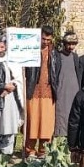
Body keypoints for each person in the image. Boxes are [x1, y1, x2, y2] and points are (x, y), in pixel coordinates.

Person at [24, 27, 58, 158]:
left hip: (49, 92)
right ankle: (30, 150)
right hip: (33, 91)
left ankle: (43, 150)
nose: (46, 42)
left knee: (46, 123)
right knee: (32, 121)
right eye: (44, 39)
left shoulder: (54, 53)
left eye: (49, 39)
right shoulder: (31, 51)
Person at [53, 32, 84, 138]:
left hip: (74, 91)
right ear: (64, 43)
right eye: (69, 44)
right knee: (61, 115)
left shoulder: (75, 57)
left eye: (73, 44)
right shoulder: (57, 56)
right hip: (61, 91)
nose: (71, 47)